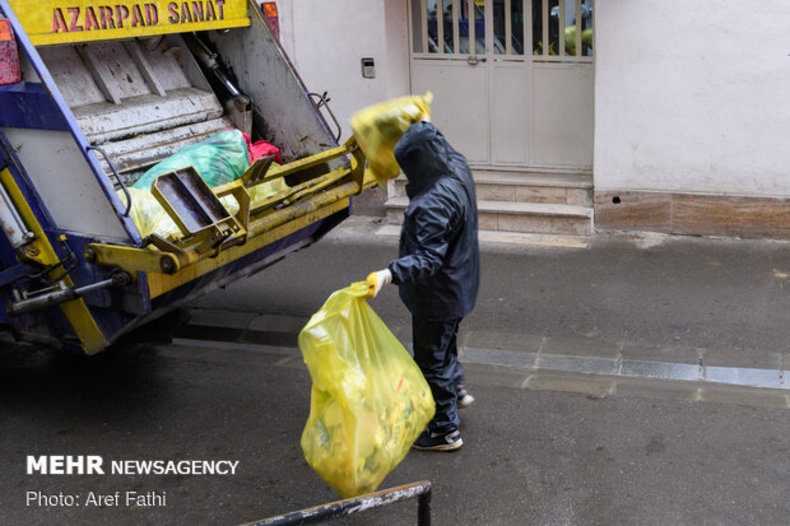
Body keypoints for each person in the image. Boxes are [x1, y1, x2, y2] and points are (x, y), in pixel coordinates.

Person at [365, 120, 479, 452]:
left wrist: (389, 273)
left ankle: (445, 431)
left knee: (430, 360)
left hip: (438, 294)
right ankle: (455, 387)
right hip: (459, 283)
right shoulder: (457, 169)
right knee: (445, 345)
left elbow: (429, 258)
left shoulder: (434, 201)